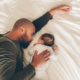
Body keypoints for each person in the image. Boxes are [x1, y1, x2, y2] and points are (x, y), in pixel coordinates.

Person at [0, 5, 72, 80]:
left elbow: (32, 26)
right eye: (32, 34)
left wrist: (51, 13)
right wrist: (34, 65)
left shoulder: (12, 40)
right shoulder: (7, 46)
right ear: (21, 30)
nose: (33, 38)